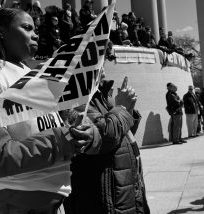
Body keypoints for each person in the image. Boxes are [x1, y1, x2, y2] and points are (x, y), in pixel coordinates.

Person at [0, 8, 100, 213]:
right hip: (9, 204)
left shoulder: (33, 73)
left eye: (35, 28)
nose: (36, 34)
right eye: (26, 28)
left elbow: (54, 124)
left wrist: (80, 130)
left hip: (54, 204)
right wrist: (63, 140)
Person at [64, 73, 150, 214]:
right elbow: (106, 137)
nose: (103, 71)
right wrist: (122, 107)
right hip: (101, 197)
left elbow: (122, 135)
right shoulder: (72, 96)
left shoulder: (100, 94)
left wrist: (128, 110)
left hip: (123, 186)